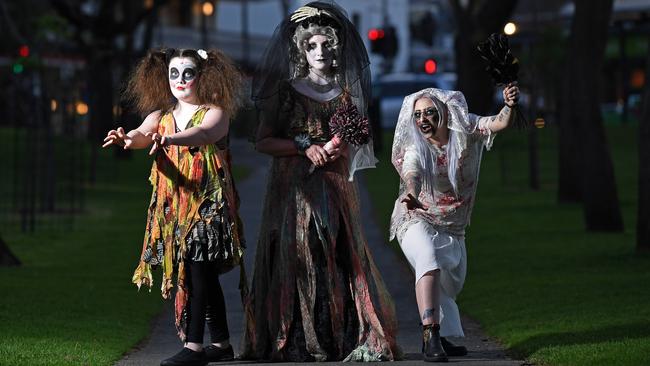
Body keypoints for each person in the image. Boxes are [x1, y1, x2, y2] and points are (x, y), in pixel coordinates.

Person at [240, 1, 399, 362]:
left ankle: (335, 336)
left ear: (337, 48)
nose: (320, 51)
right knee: (299, 252)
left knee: (335, 252)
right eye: (312, 45)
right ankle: (293, 335)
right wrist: (302, 146)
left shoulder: (344, 94)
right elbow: (263, 141)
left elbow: (357, 138)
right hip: (293, 190)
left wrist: (337, 146)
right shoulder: (285, 92)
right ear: (301, 49)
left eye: (327, 44)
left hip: (332, 186)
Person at [102, 48, 245, 366]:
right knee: (203, 274)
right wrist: (128, 138)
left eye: (188, 73)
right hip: (174, 209)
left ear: (203, 75)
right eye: (174, 73)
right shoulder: (161, 115)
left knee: (197, 271)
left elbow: (205, 133)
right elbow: (143, 133)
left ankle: (194, 348)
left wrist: (170, 141)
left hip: (207, 206)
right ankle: (221, 344)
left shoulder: (214, 111)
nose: (180, 80)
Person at [389, 84, 520, 362]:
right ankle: (430, 335)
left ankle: (441, 336)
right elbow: (411, 173)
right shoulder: (416, 145)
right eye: (418, 115)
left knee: (450, 284)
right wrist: (411, 193)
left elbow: (498, 123)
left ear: (444, 114)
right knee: (428, 259)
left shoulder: (464, 129)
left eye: (429, 113)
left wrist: (508, 105)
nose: (423, 119)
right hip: (415, 216)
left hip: (452, 224)